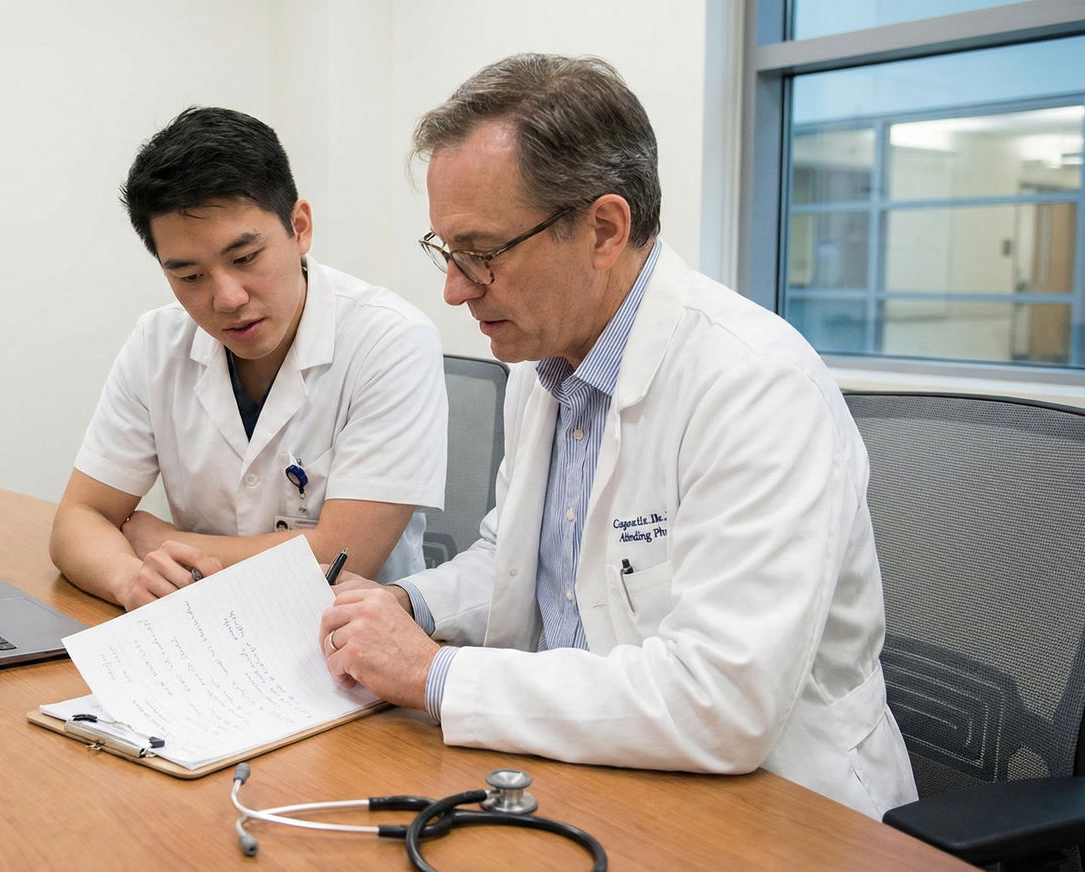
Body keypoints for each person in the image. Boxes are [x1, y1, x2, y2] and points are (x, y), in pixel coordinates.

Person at [317, 54, 916, 818]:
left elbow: (722, 703)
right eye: (446, 251)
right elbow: (515, 559)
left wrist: (435, 676)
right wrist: (405, 606)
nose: (455, 288)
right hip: (592, 772)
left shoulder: (754, 385)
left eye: (482, 254)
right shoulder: (545, 360)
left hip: (779, 810)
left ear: (604, 228)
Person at [50, 107, 447, 611]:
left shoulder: (390, 340)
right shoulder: (157, 341)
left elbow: (341, 561)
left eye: (244, 259)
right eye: (190, 276)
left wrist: (160, 542)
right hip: (203, 633)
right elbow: (78, 518)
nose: (227, 298)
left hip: (344, 646)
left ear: (299, 227)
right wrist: (132, 580)